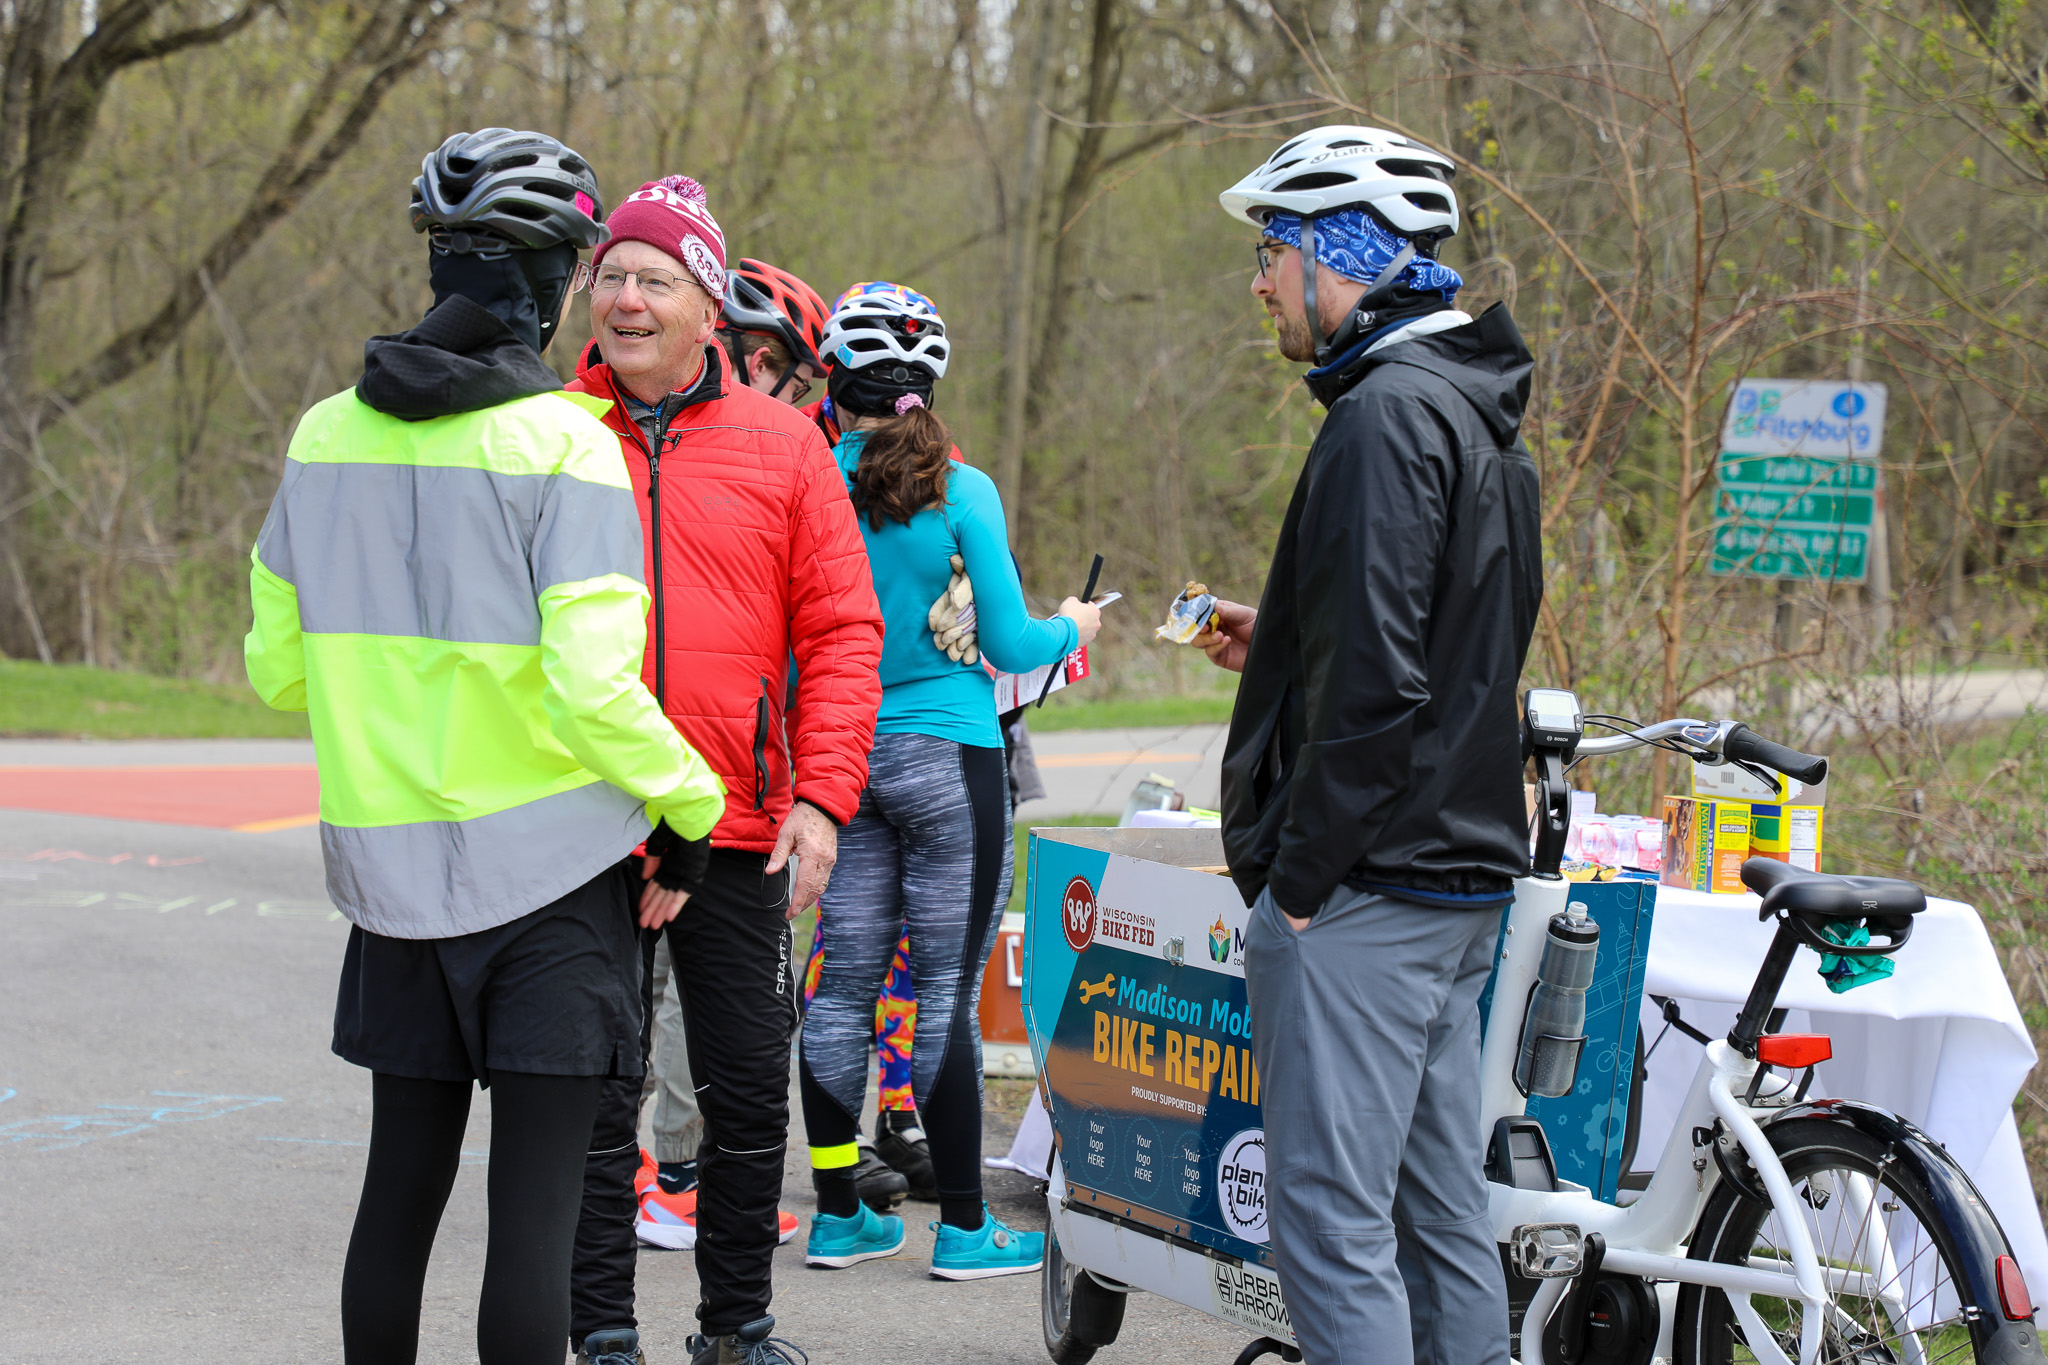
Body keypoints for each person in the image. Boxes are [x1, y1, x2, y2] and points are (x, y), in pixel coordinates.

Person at [244, 127, 726, 1365]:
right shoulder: (565, 444)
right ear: (564, 276)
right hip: (553, 893)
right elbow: (592, 688)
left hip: (390, 888)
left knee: (394, 1205)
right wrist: (690, 802)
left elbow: (274, 670)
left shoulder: (319, 437)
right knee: (533, 1224)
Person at [1197, 125, 1542, 1365]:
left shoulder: (1382, 420)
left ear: (1342, 254)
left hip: (1365, 889)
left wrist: (1295, 888)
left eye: (1271, 250)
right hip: (1456, 878)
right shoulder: (1471, 413)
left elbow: (1385, 685)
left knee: (1331, 1229)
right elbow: (1459, 652)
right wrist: (1282, 638)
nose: (1259, 281)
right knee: (1436, 1211)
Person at [563, 177, 884, 1365]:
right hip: (580, 827)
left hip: (744, 826)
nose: (628, 299)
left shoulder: (784, 447)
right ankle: (600, 1335)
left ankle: (735, 1332)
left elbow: (845, 635)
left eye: (656, 279)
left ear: (709, 305)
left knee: (749, 1097)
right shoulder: (549, 434)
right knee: (590, 1103)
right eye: (613, 276)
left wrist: (820, 800)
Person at [796, 281, 1101, 1279]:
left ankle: (841, 1212)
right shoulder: (961, 492)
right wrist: (1076, 625)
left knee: (839, 988)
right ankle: (965, 1231)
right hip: (951, 757)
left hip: (839, 762)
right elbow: (1012, 642)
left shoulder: (808, 475)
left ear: (834, 377)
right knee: (945, 995)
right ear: (929, 379)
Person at [631, 257, 913, 1229]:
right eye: (797, 381)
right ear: (756, 357)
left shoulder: (778, 458)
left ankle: (674, 1179)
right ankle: (672, 1180)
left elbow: (835, 629)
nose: (811, 407)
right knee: (675, 997)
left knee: (685, 998)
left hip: (743, 775)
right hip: (676, 783)